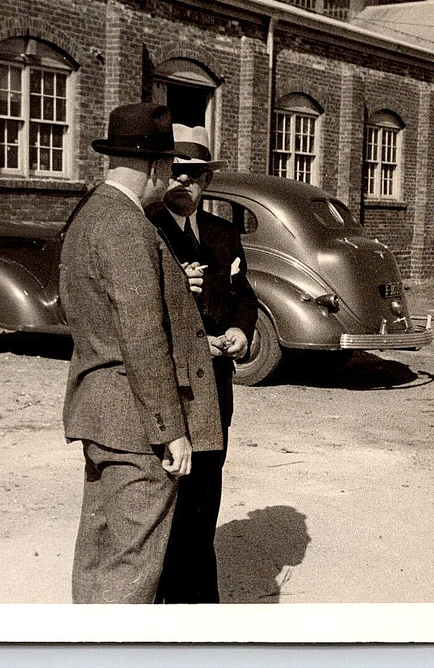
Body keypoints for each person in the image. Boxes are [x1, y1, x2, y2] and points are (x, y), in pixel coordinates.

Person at [59, 103, 223, 604]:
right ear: (154, 168)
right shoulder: (128, 226)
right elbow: (143, 337)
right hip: (134, 424)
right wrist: (170, 430)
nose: (172, 180)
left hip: (102, 413)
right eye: (170, 169)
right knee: (129, 570)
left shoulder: (89, 214)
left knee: (102, 554)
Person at [149, 124, 258, 603]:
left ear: (207, 179)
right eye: (175, 171)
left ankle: (198, 610)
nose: (183, 182)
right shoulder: (147, 230)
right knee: (168, 494)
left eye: (194, 173)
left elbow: (245, 296)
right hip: (170, 384)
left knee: (205, 494)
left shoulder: (222, 232)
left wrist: (240, 329)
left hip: (216, 384)